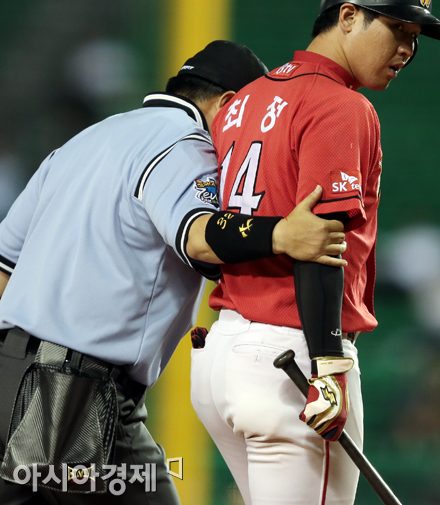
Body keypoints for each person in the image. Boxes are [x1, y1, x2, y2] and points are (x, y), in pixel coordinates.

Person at [0, 40, 348, 505]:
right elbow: (197, 235)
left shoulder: (86, 139)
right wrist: (280, 234)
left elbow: (4, 266)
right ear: (229, 103)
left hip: (9, 373)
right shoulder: (188, 146)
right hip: (73, 395)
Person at [190, 0, 440, 505]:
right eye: (397, 28)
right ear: (349, 16)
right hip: (293, 356)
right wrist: (328, 364)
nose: (407, 48)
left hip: (223, 354)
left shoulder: (246, 99)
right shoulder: (341, 105)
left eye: (415, 37)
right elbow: (320, 243)